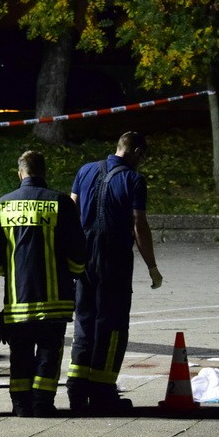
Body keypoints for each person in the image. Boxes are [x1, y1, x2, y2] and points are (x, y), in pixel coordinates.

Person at [67, 132, 162, 415]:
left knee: (84, 320)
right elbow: (138, 224)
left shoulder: (85, 170)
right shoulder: (133, 180)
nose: (141, 162)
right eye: (141, 156)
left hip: (83, 255)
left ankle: (76, 388)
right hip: (114, 257)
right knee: (112, 324)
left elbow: (71, 210)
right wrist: (152, 266)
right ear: (133, 150)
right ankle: (102, 392)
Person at [0, 150, 87, 417]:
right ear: (43, 172)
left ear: (20, 173)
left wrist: (9, 274)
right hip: (54, 299)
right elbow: (77, 249)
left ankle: (20, 405)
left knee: (19, 353)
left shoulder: (3, 203)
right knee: (49, 352)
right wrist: (73, 273)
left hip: (18, 299)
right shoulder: (61, 202)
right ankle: (42, 404)